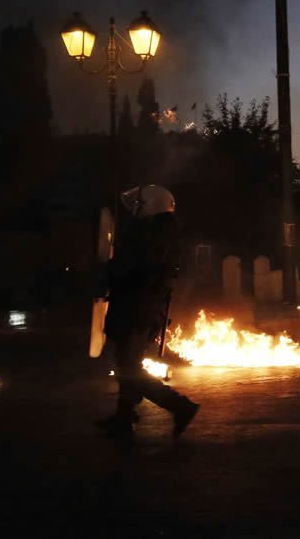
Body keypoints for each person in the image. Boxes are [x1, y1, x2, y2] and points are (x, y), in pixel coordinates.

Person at [95, 184, 199, 438]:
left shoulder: (154, 235)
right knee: (126, 363)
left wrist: (111, 270)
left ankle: (180, 406)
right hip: (139, 306)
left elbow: (137, 268)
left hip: (139, 308)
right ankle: (122, 417)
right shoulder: (156, 232)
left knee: (130, 367)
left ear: (150, 205)